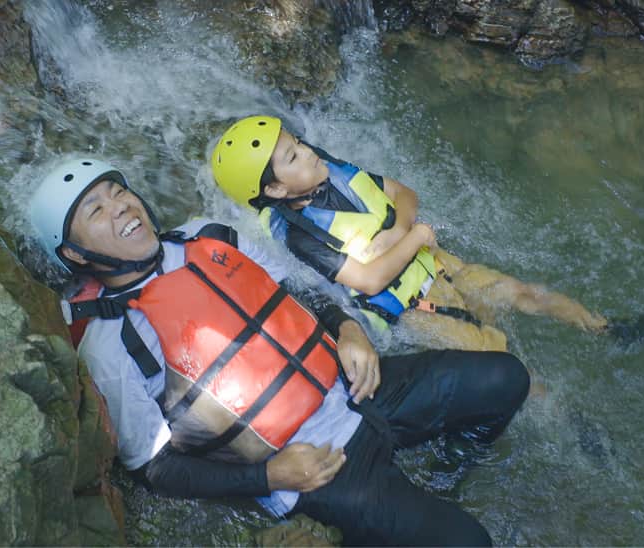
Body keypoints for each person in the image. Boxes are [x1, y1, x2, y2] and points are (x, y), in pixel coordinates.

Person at [28, 158, 532, 546]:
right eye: (97, 211)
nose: (121, 207)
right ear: (74, 254)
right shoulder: (110, 342)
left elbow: (297, 290)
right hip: (310, 469)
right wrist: (267, 477)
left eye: (120, 193)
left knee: (507, 379)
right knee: (470, 542)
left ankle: (451, 468)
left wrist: (350, 330)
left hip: (356, 390)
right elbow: (154, 469)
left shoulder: (209, 236)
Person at [210, 115, 644, 351]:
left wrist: (403, 233)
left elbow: (403, 193)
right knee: (499, 352)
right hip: (414, 309)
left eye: (297, 144)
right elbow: (368, 282)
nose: (308, 153)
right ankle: (576, 432)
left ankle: (607, 330)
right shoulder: (298, 233)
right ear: (273, 189)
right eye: (293, 158)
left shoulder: (331, 170)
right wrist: (412, 239)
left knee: (526, 294)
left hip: (436, 261)